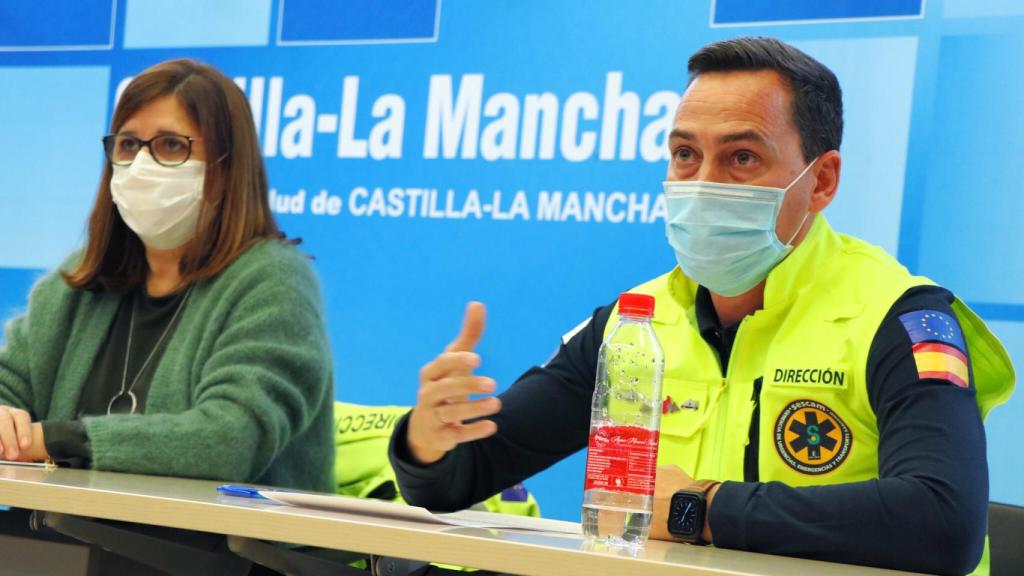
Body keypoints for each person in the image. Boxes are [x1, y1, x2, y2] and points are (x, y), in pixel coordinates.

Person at [388, 37, 1015, 575]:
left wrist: (699, 510)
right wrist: (429, 439)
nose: (704, 181)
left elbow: (943, 521)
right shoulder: (636, 321)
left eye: (741, 157)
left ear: (820, 181)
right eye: (686, 154)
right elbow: (459, 479)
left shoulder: (898, 316)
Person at [0, 59, 334, 492]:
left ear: (226, 168)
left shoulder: (273, 283)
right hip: (73, 547)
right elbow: (9, 383)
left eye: (171, 146)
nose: (141, 165)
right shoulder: (77, 284)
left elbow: (228, 440)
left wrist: (57, 440)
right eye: (128, 145)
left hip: (226, 554)